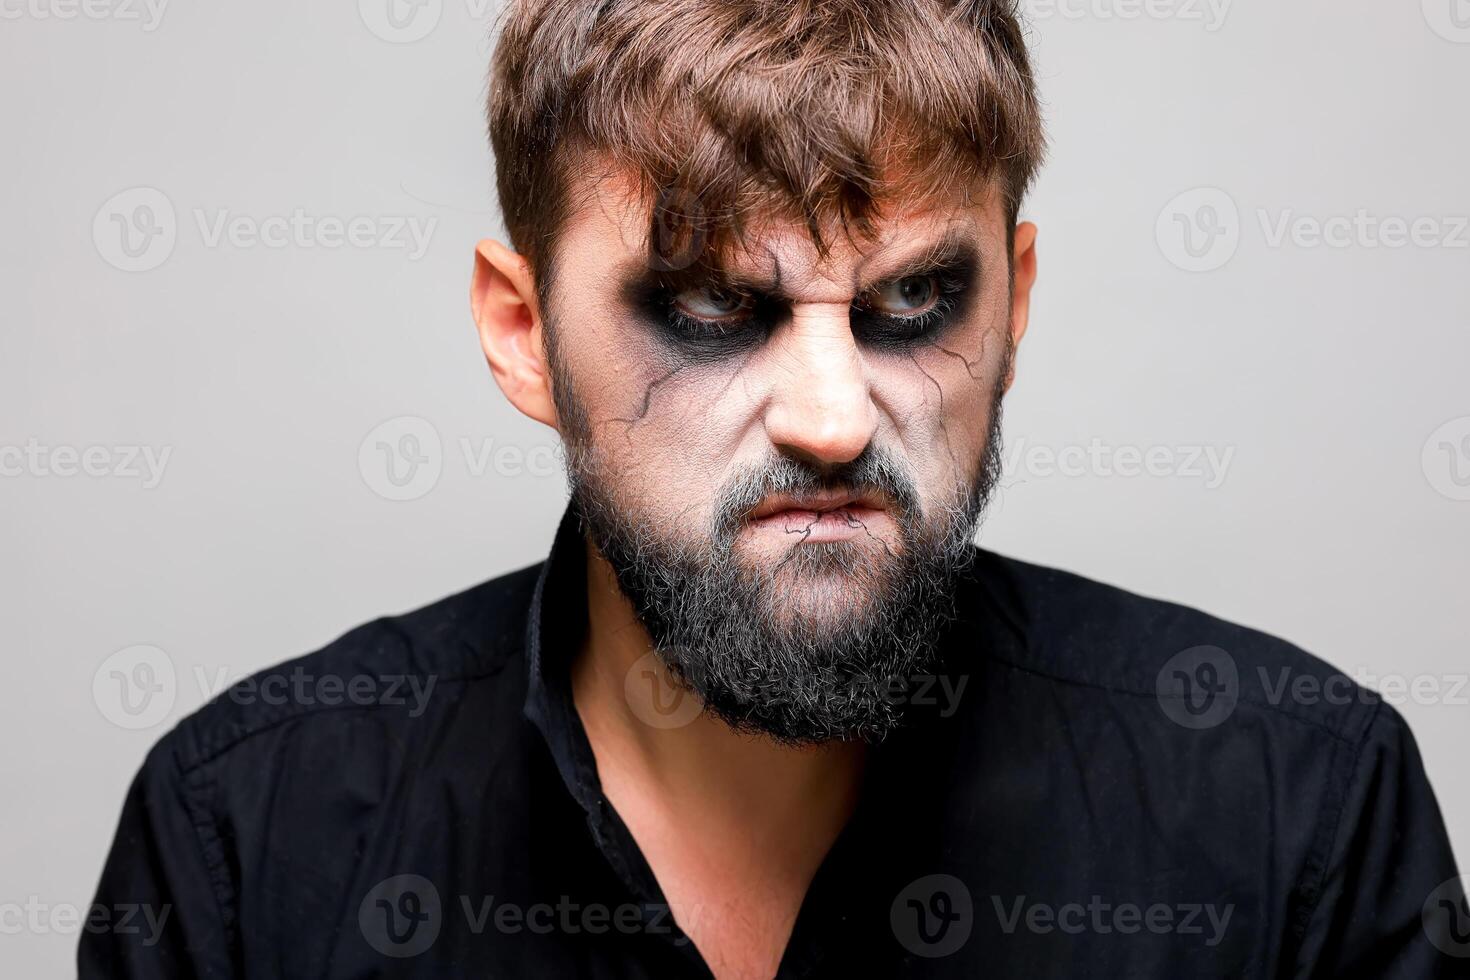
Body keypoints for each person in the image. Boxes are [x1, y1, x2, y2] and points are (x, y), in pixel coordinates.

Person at [82, 1, 1463, 976]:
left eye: (916, 300)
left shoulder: (1297, 813)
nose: (828, 417)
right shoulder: (245, 844)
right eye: (705, 308)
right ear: (521, 334)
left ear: (1017, 297)